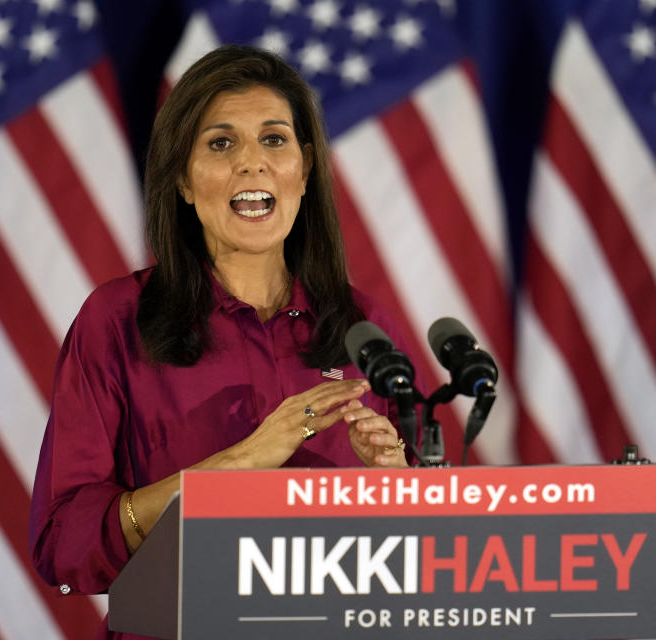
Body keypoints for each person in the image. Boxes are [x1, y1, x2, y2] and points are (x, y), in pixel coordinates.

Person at [28, 44, 412, 639]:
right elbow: (64, 546)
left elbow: (417, 559)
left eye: (275, 139)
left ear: (305, 170)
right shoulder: (116, 321)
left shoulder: (365, 326)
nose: (252, 164)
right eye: (221, 143)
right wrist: (232, 468)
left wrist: (395, 488)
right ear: (182, 178)